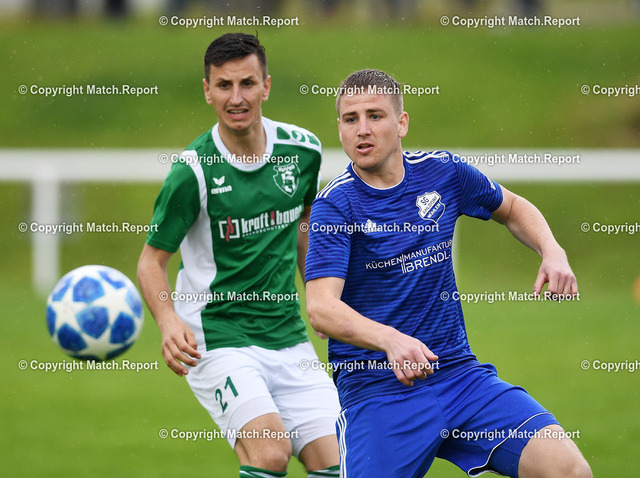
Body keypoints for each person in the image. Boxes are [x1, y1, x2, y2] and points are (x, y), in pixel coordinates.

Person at [305, 69, 592, 477]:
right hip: (379, 392)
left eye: (375, 115)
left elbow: (512, 207)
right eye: (351, 119)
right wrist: (390, 340)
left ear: (402, 123)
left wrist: (552, 250)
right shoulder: (336, 205)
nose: (362, 129)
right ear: (340, 128)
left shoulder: (443, 172)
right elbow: (320, 308)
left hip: (459, 376)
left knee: (569, 470)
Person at [137, 33, 340, 478]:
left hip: (287, 335)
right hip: (217, 336)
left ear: (266, 86)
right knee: (269, 452)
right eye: (224, 85)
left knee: (339, 460)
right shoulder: (192, 171)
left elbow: (304, 223)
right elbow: (151, 261)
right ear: (207, 91)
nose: (236, 98)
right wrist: (169, 322)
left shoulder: (303, 151)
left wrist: (320, 296)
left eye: (247, 83)